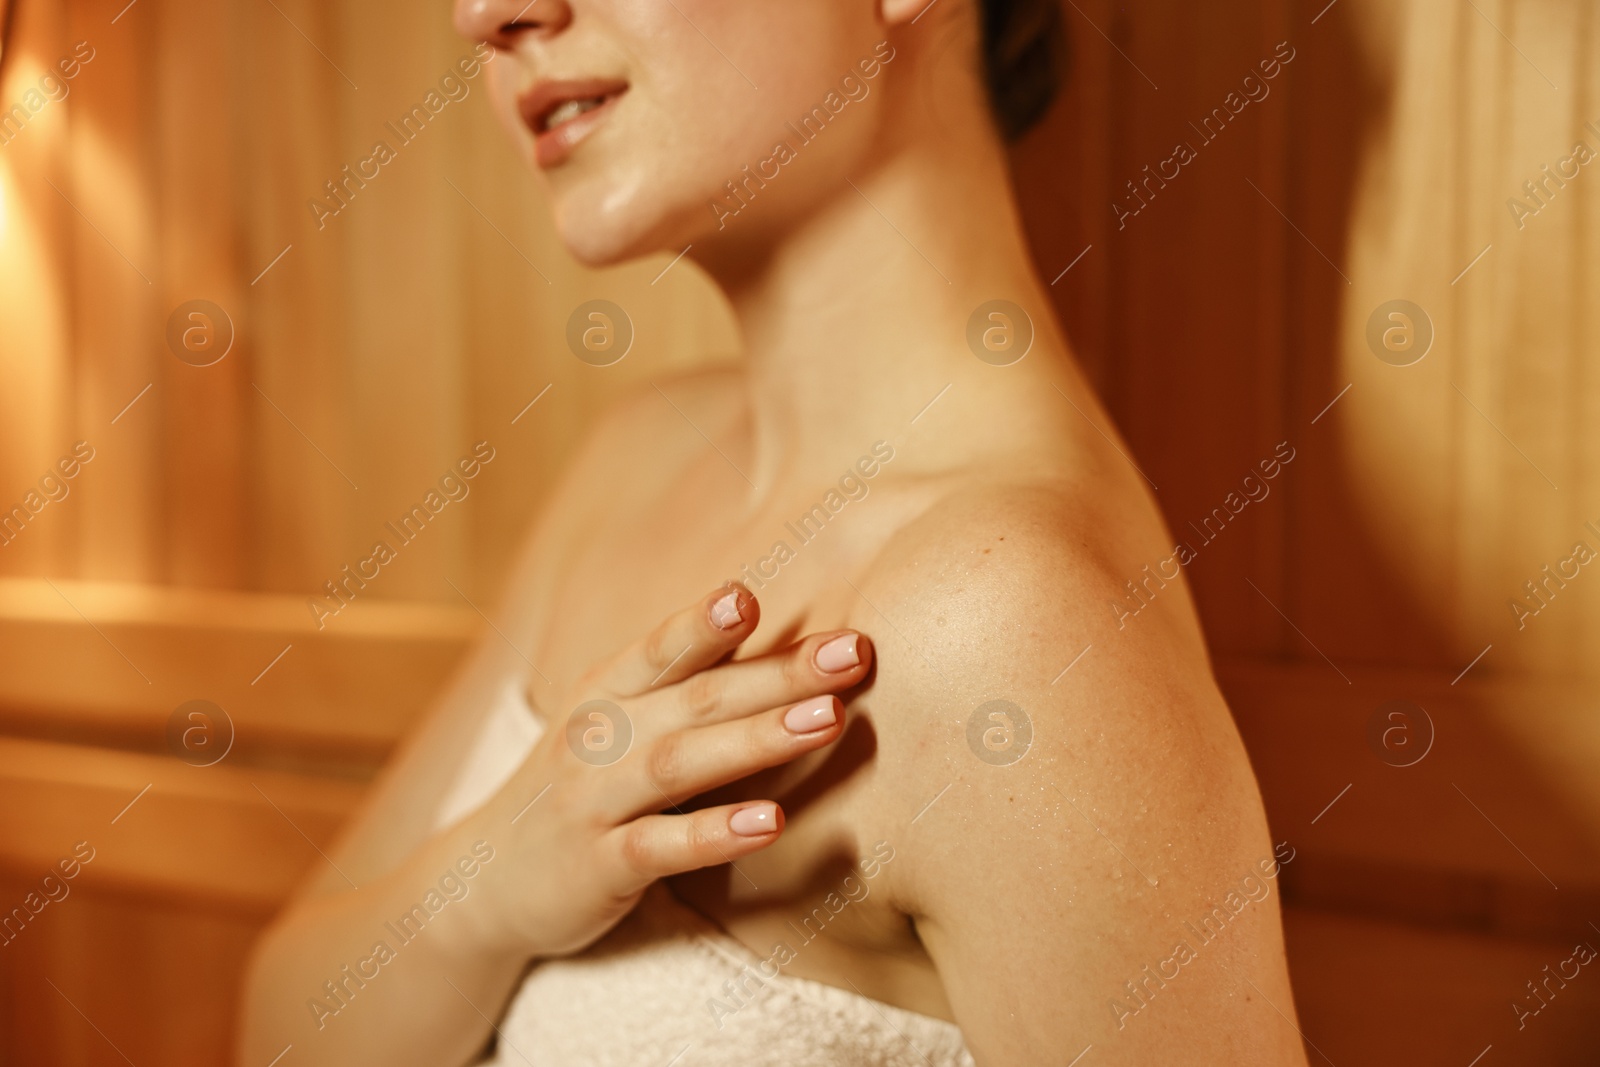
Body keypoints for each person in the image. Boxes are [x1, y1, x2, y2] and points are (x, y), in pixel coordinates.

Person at [239, 1, 1308, 1063]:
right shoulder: (638, 460)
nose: (484, 14)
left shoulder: (1008, 622)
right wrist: (484, 891)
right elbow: (277, 1028)